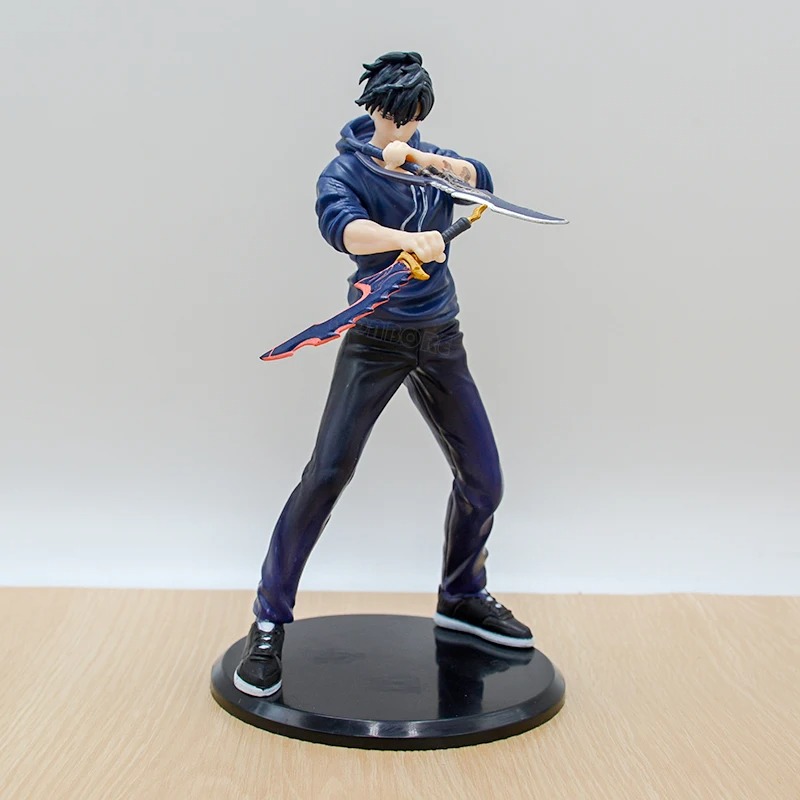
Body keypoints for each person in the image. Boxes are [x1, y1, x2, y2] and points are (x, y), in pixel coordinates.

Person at [234, 51, 533, 698]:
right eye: (393, 117)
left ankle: (462, 595)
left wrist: (425, 160)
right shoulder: (343, 171)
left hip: (440, 338)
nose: (400, 127)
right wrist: (405, 241)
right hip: (376, 340)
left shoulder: (427, 159)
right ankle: (269, 618)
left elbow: (479, 180)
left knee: (483, 480)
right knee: (326, 475)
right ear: (373, 108)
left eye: (412, 117)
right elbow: (345, 231)